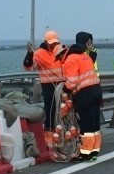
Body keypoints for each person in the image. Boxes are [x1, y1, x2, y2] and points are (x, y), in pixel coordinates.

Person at [60, 31, 103, 161]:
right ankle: (94, 151)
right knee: (95, 124)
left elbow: (72, 81)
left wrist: (64, 88)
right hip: (96, 91)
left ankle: (86, 153)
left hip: (85, 94)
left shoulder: (71, 59)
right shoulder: (85, 56)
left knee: (86, 124)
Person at [23, 30, 65, 135]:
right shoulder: (40, 53)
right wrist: (29, 53)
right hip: (48, 86)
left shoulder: (62, 50)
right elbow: (29, 67)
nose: (53, 45)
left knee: (64, 109)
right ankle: (50, 132)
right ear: (46, 42)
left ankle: (64, 131)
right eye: (51, 43)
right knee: (51, 109)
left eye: (55, 42)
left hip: (63, 85)